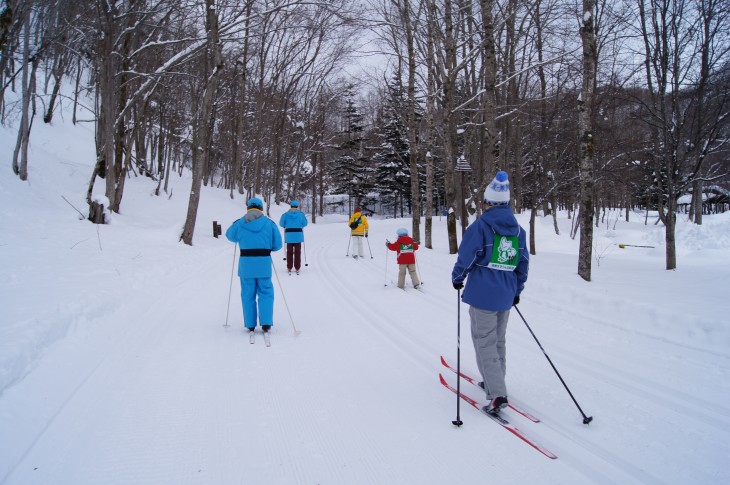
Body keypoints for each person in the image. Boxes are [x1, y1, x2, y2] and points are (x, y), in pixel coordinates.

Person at [451, 171, 529, 415]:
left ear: (487, 203)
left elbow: (467, 256)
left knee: (484, 342)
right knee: (498, 340)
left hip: (483, 293)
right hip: (505, 294)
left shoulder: (481, 226)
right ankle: (494, 381)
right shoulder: (518, 231)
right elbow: (522, 263)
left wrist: (457, 277)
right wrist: (517, 289)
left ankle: (497, 394)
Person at [226, 197, 283, 334]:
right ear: (261, 208)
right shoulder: (270, 224)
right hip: (264, 264)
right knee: (266, 293)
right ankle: (266, 323)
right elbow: (278, 245)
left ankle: (250, 324)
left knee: (247, 294)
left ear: (248, 208)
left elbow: (230, 235)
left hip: (246, 266)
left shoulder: (239, 223)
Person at [279, 200, 308, 274]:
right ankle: (297, 267)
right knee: (298, 252)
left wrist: (286, 225)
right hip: (298, 235)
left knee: (289, 252)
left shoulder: (285, 214)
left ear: (291, 206)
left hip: (289, 235)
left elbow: (281, 224)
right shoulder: (301, 214)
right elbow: (305, 223)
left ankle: (289, 267)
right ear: (297, 206)